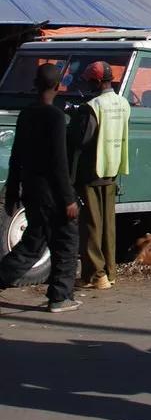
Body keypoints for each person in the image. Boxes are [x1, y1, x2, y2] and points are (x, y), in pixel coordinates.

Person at [0, 64, 80, 313]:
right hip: (53, 194)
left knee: (34, 243)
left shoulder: (26, 115)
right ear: (58, 86)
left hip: (32, 190)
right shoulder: (55, 117)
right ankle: (60, 296)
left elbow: (16, 157)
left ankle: (59, 295)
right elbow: (59, 162)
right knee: (66, 242)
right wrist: (68, 198)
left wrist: (13, 192)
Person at [69, 61, 130, 291]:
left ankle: (96, 275)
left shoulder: (92, 106)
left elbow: (82, 140)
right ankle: (110, 272)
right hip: (112, 169)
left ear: (95, 82)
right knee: (108, 226)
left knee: (91, 227)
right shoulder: (123, 103)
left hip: (92, 171)